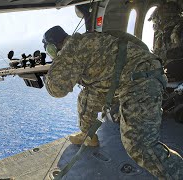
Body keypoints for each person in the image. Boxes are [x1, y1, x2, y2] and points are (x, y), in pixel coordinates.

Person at [42, 25, 183, 179]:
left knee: (139, 145)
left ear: (53, 47)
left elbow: (57, 89)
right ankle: (88, 136)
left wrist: (47, 76)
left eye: (49, 51)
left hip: (141, 80)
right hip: (131, 75)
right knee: (86, 97)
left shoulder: (70, 49)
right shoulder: (82, 41)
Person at [149, 1, 183, 65]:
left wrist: (164, 54)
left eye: (158, 18)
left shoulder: (179, 29)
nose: (155, 24)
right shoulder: (161, 35)